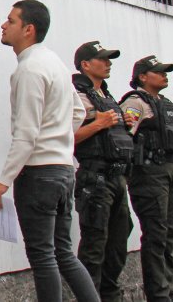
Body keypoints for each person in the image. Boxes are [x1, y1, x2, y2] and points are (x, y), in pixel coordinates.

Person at [0, 0, 100, 302]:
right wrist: (58, 138)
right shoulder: (54, 63)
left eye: (10, 21)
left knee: (43, 256)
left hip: (39, 175)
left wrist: (3, 181)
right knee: (64, 253)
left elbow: (26, 135)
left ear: (29, 29)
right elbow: (78, 111)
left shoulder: (29, 70)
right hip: (63, 170)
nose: (3, 25)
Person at [70, 41, 134, 302]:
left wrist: (122, 123)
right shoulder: (75, 95)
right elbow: (66, 138)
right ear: (85, 65)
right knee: (94, 244)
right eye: (102, 59)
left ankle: (110, 296)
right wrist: (99, 124)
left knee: (118, 243)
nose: (108, 64)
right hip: (94, 178)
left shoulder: (106, 95)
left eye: (109, 59)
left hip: (117, 178)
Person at [120, 56, 173, 302]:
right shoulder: (135, 103)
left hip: (170, 172)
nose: (164, 75)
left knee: (170, 234)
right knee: (156, 234)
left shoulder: (165, 104)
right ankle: (159, 296)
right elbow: (122, 138)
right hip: (149, 174)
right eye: (158, 71)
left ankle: (170, 291)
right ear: (142, 77)